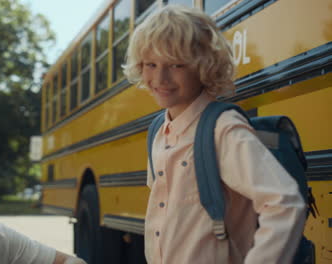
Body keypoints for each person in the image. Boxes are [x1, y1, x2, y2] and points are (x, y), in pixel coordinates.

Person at [123, 4, 306, 264]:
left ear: (204, 65)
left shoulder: (222, 128)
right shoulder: (158, 132)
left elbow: (284, 203)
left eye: (176, 65)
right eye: (151, 64)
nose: (160, 78)